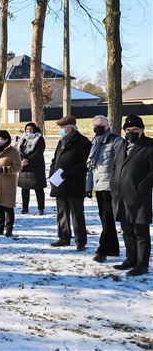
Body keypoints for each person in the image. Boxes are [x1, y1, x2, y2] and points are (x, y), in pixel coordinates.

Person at [111, 114, 153, 277]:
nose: (131, 132)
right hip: (121, 195)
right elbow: (115, 166)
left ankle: (142, 264)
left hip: (139, 196)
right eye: (128, 130)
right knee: (126, 229)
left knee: (140, 232)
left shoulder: (150, 145)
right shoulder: (121, 144)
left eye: (135, 129)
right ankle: (130, 259)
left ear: (142, 130)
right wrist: (114, 183)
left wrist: (143, 186)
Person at [49, 116, 92, 250]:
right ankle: (63, 237)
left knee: (77, 213)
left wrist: (71, 173)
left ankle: (80, 241)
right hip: (59, 183)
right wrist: (52, 173)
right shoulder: (62, 141)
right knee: (62, 213)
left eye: (62, 128)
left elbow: (86, 163)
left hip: (75, 184)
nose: (60, 131)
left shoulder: (83, 142)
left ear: (70, 128)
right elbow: (55, 159)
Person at [85, 116, 123, 262]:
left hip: (110, 186)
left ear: (107, 125)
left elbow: (119, 164)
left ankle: (103, 250)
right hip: (98, 185)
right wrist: (88, 187)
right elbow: (91, 167)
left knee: (107, 217)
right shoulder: (95, 141)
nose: (97, 127)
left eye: (100, 125)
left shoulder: (115, 140)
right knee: (104, 217)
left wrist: (116, 184)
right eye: (95, 124)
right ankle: (113, 248)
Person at [0, 130, 21, 237]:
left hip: (7, 183)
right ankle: (0, 228)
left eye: (0, 139)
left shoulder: (12, 151)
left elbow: (17, 167)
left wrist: (4, 170)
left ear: (6, 140)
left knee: (8, 207)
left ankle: (9, 229)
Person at [16, 122, 47, 215]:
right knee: (24, 189)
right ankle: (25, 208)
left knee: (39, 189)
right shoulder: (23, 139)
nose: (28, 131)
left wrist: (27, 160)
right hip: (24, 168)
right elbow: (19, 150)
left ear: (34, 130)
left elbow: (39, 152)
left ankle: (41, 208)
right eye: (27, 129)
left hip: (36, 167)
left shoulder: (39, 139)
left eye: (30, 129)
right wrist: (21, 160)